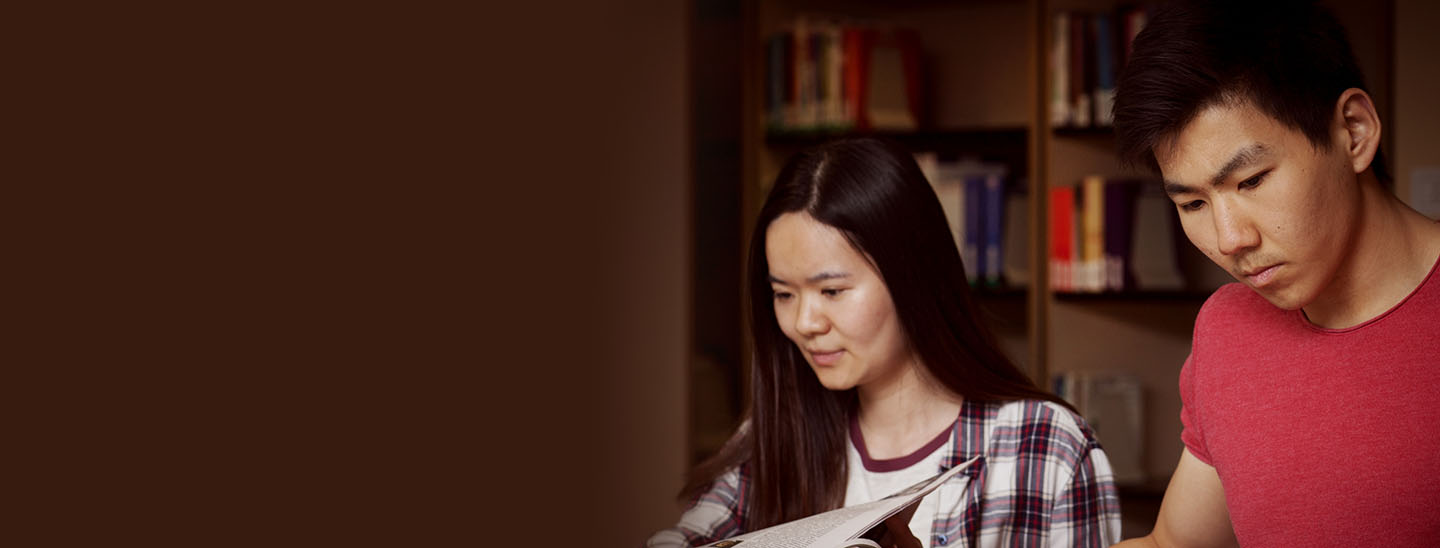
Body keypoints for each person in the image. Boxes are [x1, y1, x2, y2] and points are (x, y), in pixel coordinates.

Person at [647, 138, 1120, 548]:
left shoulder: (1043, 445)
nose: (805, 322)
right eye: (783, 294)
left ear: (911, 278)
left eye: (832, 291)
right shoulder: (772, 433)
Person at [1109, 1, 1440, 546]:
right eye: (1192, 204)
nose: (1229, 239)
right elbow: (1175, 543)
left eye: (1252, 181)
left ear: (1354, 132)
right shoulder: (1226, 327)